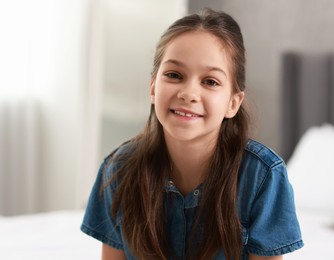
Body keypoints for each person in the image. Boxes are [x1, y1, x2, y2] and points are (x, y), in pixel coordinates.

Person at [81, 8, 303, 260]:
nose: (188, 93)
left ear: (233, 102)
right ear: (153, 88)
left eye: (210, 81)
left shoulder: (262, 177)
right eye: (174, 75)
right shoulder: (118, 170)